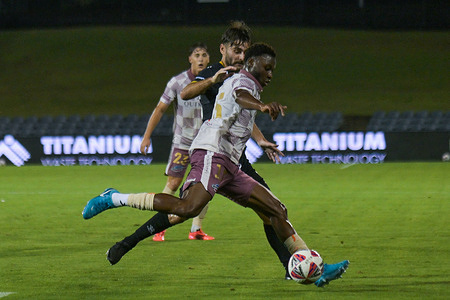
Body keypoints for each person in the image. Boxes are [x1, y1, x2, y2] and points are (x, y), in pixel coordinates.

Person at [82, 42, 349, 287]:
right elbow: (242, 96)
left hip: (230, 163)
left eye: (272, 70)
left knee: (277, 210)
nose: (270, 74)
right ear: (252, 63)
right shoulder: (241, 80)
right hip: (212, 152)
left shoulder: (248, 83)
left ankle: (315, 267)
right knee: (187, 207)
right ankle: (114, 198)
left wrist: (261, 136)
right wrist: (263, 105)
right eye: (266, 68)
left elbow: (242, 111)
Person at [139, 42, 214, 242]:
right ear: (190, 59)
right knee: (173, 182)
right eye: (196, 54)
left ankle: (196, 229)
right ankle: (159, 226)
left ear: (209, 59)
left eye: (204, 55)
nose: (200, 58)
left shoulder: (213, 81)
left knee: (205, 184)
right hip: (183, 142)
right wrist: (147, 136)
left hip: (206, 142)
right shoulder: (178, 82)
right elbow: (160, 108)